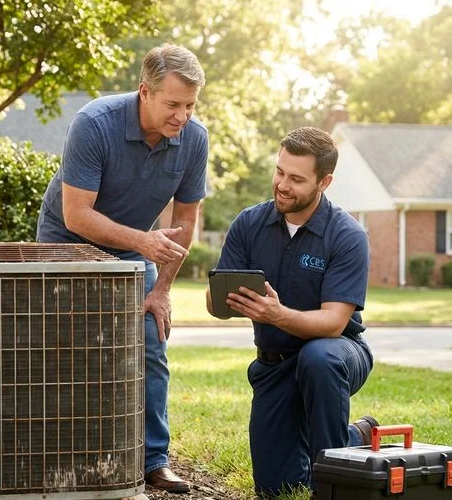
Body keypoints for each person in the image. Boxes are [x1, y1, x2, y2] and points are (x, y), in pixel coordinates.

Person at [37, 43, 208, 494]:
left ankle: (154, 460)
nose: (182, 117)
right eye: (173, 104)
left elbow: (185, 223)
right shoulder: (95, 123)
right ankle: (57, 452)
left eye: (190, 106)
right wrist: (143, 241)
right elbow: (77, 215)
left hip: (136, 249)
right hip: (66, 241)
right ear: (144, 92)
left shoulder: (194, 139)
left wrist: (162, 290)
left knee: (151, 341)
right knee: (62, 346)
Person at [206, 127, 377, 497]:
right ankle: (353, 436)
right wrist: (221, 299)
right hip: (274, 364)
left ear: (324, 181)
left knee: (318, 357)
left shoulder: (346, 235)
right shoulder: (249, 224)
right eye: (280, 171)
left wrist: (276, 314)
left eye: (296, 178)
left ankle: (332, 484)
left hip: (337, 353)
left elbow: (333, 323)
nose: (282, 185)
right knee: (274, 487)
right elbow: (215, 306)